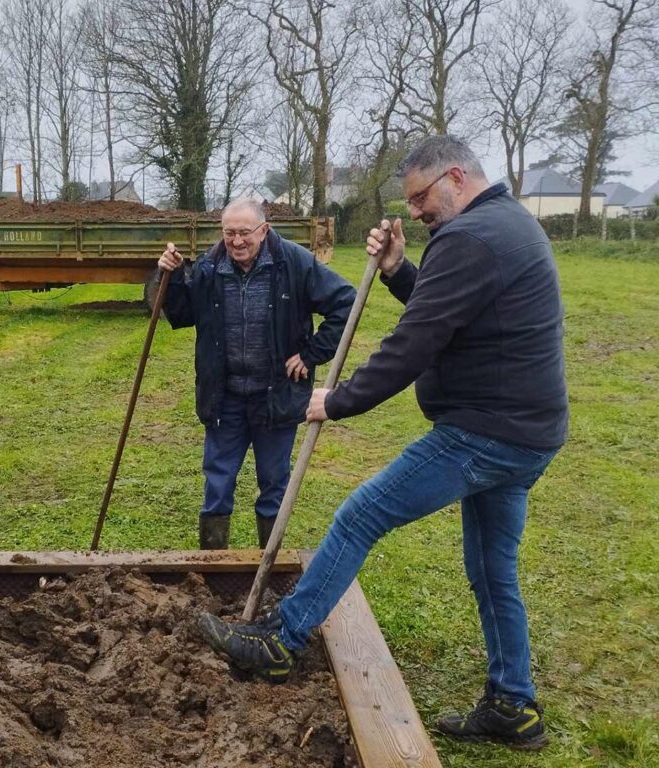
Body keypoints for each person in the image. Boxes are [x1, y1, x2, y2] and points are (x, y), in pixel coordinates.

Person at [198, 136, 568, 751]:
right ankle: (513, 704)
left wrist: (336, 399)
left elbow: (415, 341)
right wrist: (398, 271)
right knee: (492, 571)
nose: (417, 211)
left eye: (422, 197)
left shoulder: (470, 236)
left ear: (455, 177)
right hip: (527, 432)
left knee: (362, 512)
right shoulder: (506, 226)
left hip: (485, 432)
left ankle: (279, 641)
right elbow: (447, 310)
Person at [158, 198, 355, 550]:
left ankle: (269, 565)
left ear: (264, 230)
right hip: (225, 397)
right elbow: (180, 313)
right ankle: (213, 568)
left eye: (245, 232)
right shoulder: (209, 266)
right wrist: (170, 277)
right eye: (229, 233)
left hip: (275, 396)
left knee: (274, 483)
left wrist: (311, 353)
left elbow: (345, 302)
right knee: (217, 483)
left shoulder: (294, 263)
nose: (236, 241)